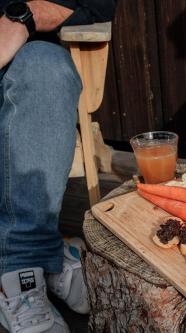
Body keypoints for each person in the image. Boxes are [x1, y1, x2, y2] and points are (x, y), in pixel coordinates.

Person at [0, 1, 115, 332]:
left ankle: (28, 260)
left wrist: (24, 15)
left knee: (46, 65)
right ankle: (33, 261)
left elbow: (100, 3)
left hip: (21, 62)